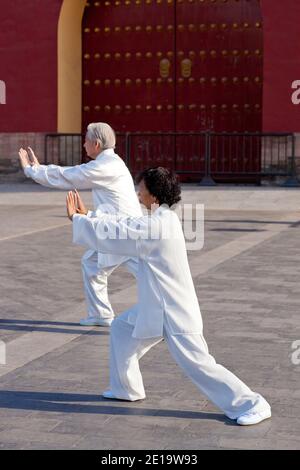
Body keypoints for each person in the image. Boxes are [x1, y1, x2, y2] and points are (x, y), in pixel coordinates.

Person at [66, 167, 271, 426]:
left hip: (173, 310)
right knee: (120, 329)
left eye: (141, 190)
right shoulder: (162, 218)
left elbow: (121, 234)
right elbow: (125, 225)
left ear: (153, 195)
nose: (138, 195)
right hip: (155, 307)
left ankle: (252, 403)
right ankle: (126, 389)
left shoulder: (156, 225)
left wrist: (80, 220)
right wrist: (90, 217)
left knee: (199, 364)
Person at [18, 122, 142, 327]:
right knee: (93, 264)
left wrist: (33, 171)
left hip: (122, 231)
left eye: (86, 140)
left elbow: (69, 175)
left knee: (147, 273)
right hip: (118, 228)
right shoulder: (110, 162)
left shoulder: (105, 165)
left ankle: (165, 316)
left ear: (97, 143)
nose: (83, 144)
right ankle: (101, 314)